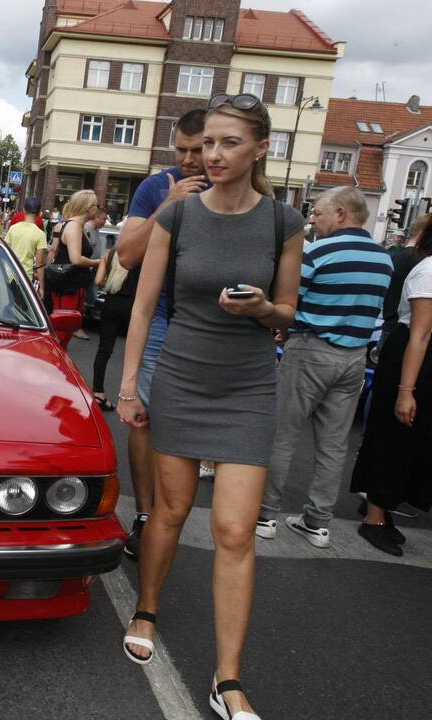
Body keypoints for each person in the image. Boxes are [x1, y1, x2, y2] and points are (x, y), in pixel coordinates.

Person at [116, 93, 305, 720]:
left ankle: (227, 680)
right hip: (183, 377)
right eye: (208, 144)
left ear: (259, 149)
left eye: (228, 143)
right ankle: (147, 607)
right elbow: (142, 307)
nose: (213, 155)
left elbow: (287, 313)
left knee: (233, 531)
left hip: (249, 387)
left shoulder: (283, 221)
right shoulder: (180, 216)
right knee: (169, 512)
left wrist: (261, 311)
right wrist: (129, 387)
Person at [257, 187, 393, 547]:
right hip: (354, 358)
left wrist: (284, 332)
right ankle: (318, 522)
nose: (312, 219)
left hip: (311, 350)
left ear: (341, 214)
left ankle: (266, 515)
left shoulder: (316, 252)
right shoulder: (384, 259)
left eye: (318, 213)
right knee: (333, 446)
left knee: (283, 436)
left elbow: (288, 299)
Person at [113, 108, 208, 558]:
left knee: (194, 428)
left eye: (199, 149)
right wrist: (167, 209)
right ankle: (147, 515)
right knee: (144, 419)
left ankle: (174, 513)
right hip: (160, 318)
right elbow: (127, 256)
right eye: (182, 150)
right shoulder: (156, 187)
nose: (190, 160)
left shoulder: (234, 189)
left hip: (212, 325)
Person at [350, 216, 432, 556]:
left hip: (417, 357)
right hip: (411, 359)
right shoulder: (429, 270)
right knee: (395, 437)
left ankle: (380, 510)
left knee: (409, 441)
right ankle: (374, 517)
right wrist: (406, 390)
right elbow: (420, 333)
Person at [91, 245, 140, 411]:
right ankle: (132, 397)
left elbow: (98, 281)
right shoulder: (142, 255)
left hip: (111, 303)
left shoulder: (110, 254)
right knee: (135, 353)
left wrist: (111, 280)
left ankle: (98, 393)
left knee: (104, 350)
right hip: (133, 305)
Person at [48, 189, 101, 339]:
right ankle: (56, 360)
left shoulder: (73, 225)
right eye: (96, 205)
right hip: (69, 286)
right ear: (89, 207)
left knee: (64, 330)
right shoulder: (74, 226)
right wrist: (98, 262)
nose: (98, 208)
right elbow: (76, 259)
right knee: (63, 331)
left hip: (70, 284)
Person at [4, 196, 48, 295]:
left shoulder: (13, 228)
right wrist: (42, 288)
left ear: (24, 210)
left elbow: (5, 251)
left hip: (8, 273)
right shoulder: (40, 234)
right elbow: (39, 263)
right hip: (25, 277)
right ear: (39, 212)